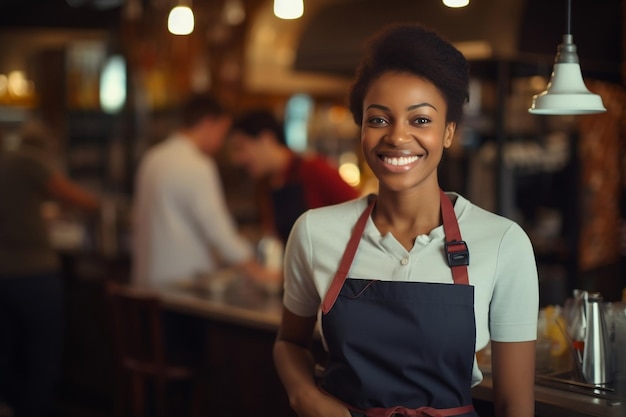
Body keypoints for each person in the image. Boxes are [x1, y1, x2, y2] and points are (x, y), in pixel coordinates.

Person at [273, 23, 539, 417]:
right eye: (379, 119)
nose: (397, 137)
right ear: (361, 129)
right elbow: (289, 343)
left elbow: (515, 403)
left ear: (448, 132)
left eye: (420, 120)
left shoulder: (503, 242)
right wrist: (304, 396)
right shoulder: (315, 232)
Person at [0, 119, 100, 417]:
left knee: (7, 354)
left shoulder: (5, 163)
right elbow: (82, 200)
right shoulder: (30, 161)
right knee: (43, 357)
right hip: (33, 274)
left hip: (2, 275)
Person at [131, 93, 279, 289]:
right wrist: (259, 274)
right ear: (209, 123)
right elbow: (219, 231)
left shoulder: (152, 157)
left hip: (146, 284)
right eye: (222, 132)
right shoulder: (197, 165)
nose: (221, 143)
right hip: (181, 287)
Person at [228, 109, 360, 244]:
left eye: (240, 148)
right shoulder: (265, 184)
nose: (237, 159)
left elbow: (360, 211)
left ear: (266, 139)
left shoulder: (313, 169)